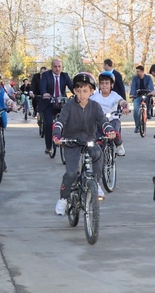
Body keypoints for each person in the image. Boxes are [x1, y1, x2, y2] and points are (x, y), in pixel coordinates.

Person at [52, 72, 116, 215]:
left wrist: (109, 130)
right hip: (71, 142)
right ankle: (63, 199)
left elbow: (103, 121)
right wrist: (57, 136)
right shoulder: (69, 106)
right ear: (74, 91)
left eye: (85, 91)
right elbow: (60, 122)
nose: (81, 94)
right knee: (71, 173)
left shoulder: (95, 106)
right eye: (78, 91)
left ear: (92, 91)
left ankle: (97, 183)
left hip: (89, 141)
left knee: (98, 154)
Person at [91, 71, 130, 156]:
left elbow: (122, 101)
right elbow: (88, 103)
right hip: (100, 121)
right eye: (102, 83)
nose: (104, 85)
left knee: (115, 132)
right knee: (97, 138)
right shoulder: (95, 96)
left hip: (113, 119)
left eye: (107, 83)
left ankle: (119, 144)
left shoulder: (114, 95)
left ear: (111, 85)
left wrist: (125, 107)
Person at [39, 59, 73, 155]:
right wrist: (44, 93)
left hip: (61, 103)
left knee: (67, 122)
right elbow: (42, 86)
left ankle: (67, 142)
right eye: (55, 66)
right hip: (49, 103)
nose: (57, 69)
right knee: (49, 123)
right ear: (51, 67)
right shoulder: (46, 75)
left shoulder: (65, 76)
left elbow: (72, 86)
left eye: (59, 66)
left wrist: (78, 94)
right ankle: (48, 146)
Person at [129, 65, 155, 133]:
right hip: (138, 95)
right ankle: (137, 126)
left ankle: (148, 112)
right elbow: (133, 86)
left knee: (149, 102)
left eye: (138, 71)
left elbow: (151, 86)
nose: (137, 73)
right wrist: (132, 94)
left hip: (147, 94)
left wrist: (152, 91)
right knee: (136, 109)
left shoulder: (148, 78)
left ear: (142, 71)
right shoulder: (135, 78)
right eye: (136, 71)